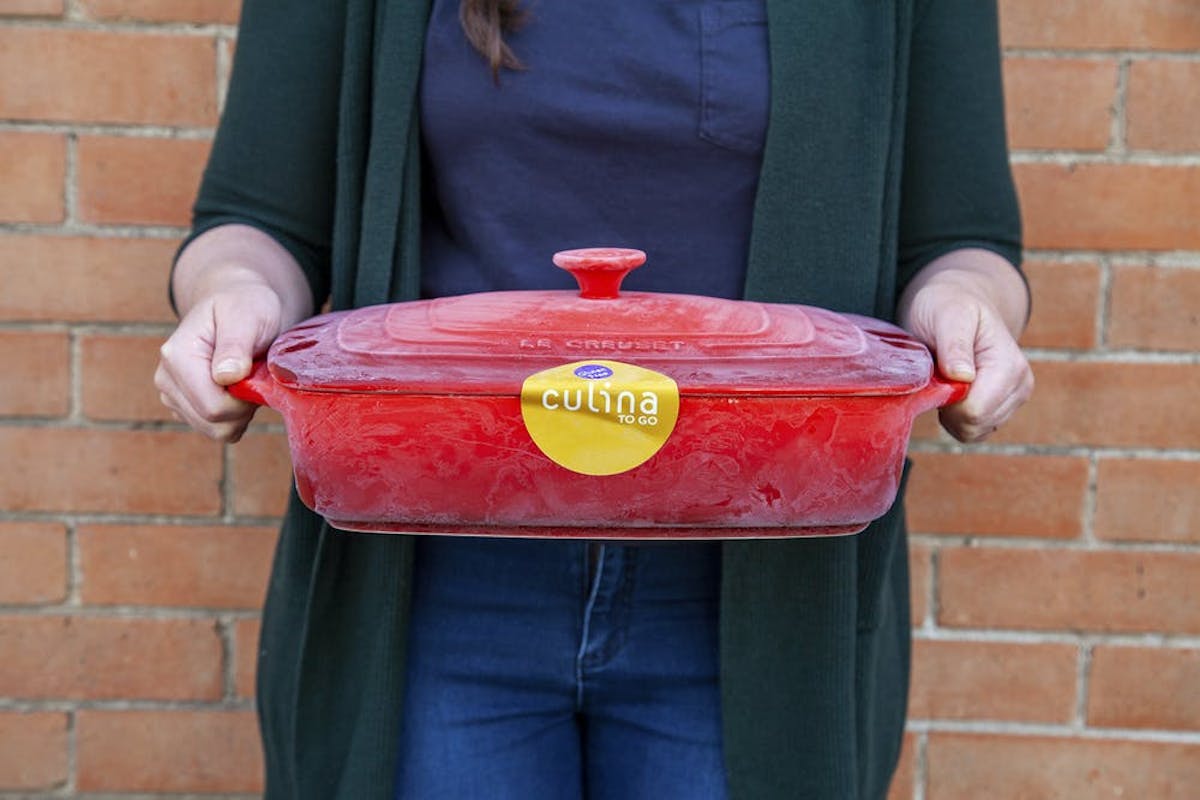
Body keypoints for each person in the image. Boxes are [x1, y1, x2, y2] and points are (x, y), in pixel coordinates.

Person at [155, 1, 1033, 798]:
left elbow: (960, 238)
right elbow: (259, 216)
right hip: (441, 573)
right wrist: (234, 295)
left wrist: (969, 309)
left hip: (758, 584)